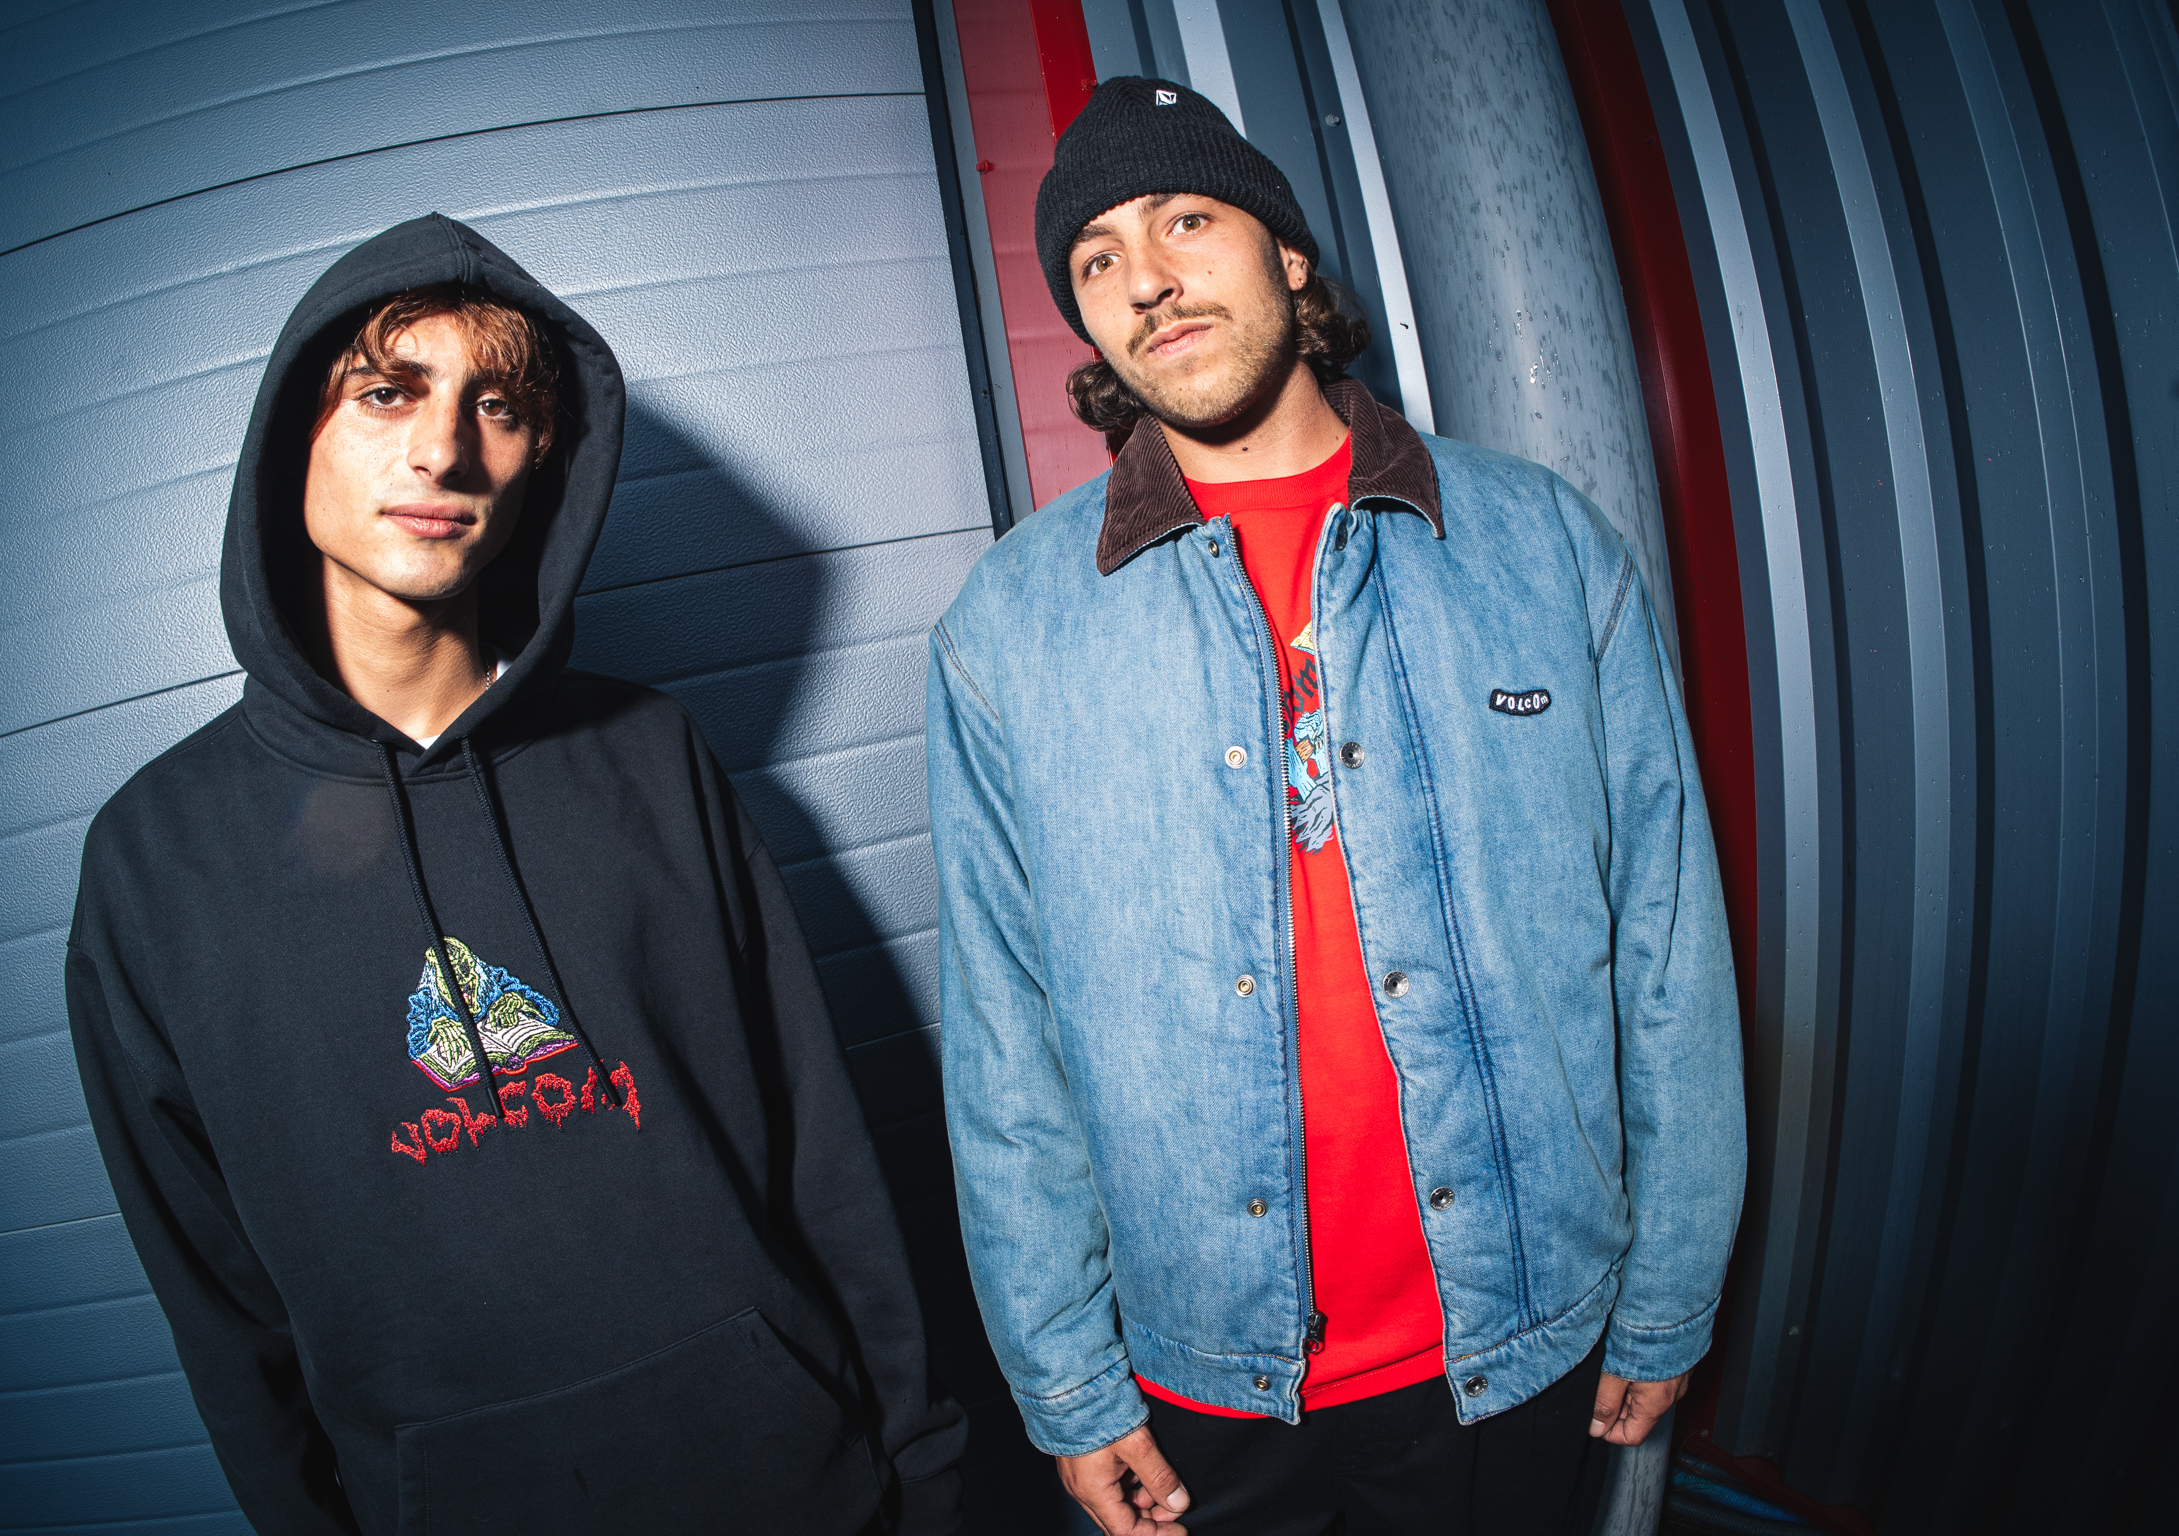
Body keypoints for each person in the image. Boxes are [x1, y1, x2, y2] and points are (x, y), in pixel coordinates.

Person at [926, 79, 1745, 1536]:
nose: (1149, 280)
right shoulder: (1010, 626)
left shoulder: (1539, 545)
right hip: (1202, 1387)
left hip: (1516, 1340)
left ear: (1290, 255)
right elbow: (1005, 1038)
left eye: (1188, 220)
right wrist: (1066, 1384)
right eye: (1098, 257)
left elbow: (1664, 947)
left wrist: (1671, 1287)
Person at [67, 215, 965, 1535]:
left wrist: (928, 1471)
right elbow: (219, 1306)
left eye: (497, 405)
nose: (442, 450)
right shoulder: (153, 860)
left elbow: (821, 1150)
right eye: (386, 393)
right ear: (289, 441)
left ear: (545, 456)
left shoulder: (653, 755)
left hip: (806, 1490)